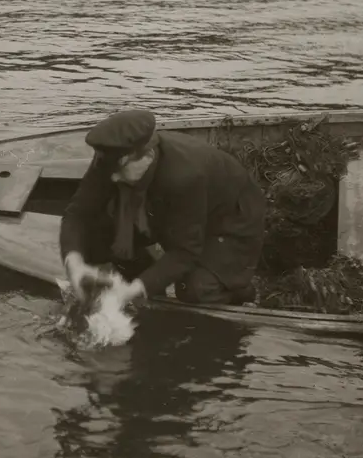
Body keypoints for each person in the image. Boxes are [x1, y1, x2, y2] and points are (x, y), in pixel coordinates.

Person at [59, 108, 267, 311]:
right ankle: (146, 275)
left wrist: (135, 289)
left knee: (195, 289)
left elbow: (185, 251)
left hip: (230, 218)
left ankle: (240, 290)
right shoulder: (113, 159)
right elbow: (77, 214)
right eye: (109, 170)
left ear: (147, 157)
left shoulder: (184, 176)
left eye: (119, 170)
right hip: (176, 209)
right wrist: (75, 264)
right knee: (92, 239)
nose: (112, 178)